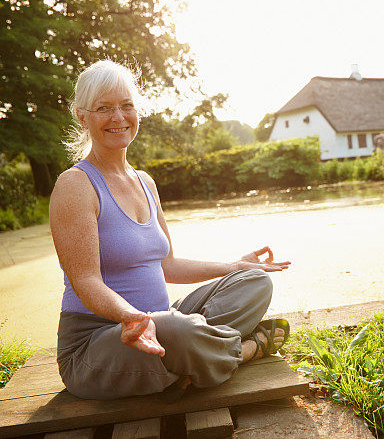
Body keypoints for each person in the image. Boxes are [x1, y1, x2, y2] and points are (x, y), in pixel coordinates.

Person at [49, 60, 291, 400]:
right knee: (176, 328)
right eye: (104, 108)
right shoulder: (74, 185)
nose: (118, 117)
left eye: (126, 106)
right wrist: (135, 319)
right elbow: (86, 280)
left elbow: (168, 265)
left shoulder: (145, 181)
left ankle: (191, 358)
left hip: (161, 324)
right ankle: (246, 350)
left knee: (254, 282)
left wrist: (235, 266)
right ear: (82, 116)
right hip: (98, 343)